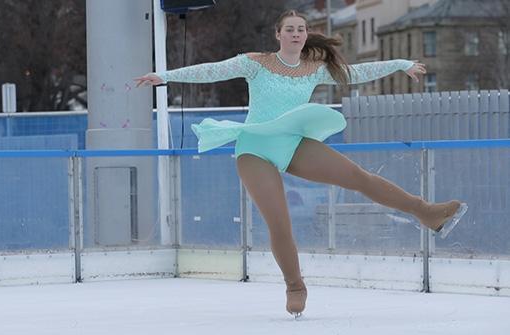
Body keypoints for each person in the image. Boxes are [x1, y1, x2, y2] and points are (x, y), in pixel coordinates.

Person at [135, 10, 467, 318]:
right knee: (280, 222)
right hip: (255, 149)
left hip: (292, 144)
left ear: (306, 35)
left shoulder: (314, 69)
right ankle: (295, 285)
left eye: (301, 29)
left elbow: (358, 72)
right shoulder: (256, 63)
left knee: (359, 177)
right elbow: (213, 70)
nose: (296, 34)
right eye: (290, 29)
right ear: (278, 34)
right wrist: (163, 76)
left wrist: (400, 63)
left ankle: (426, 212)